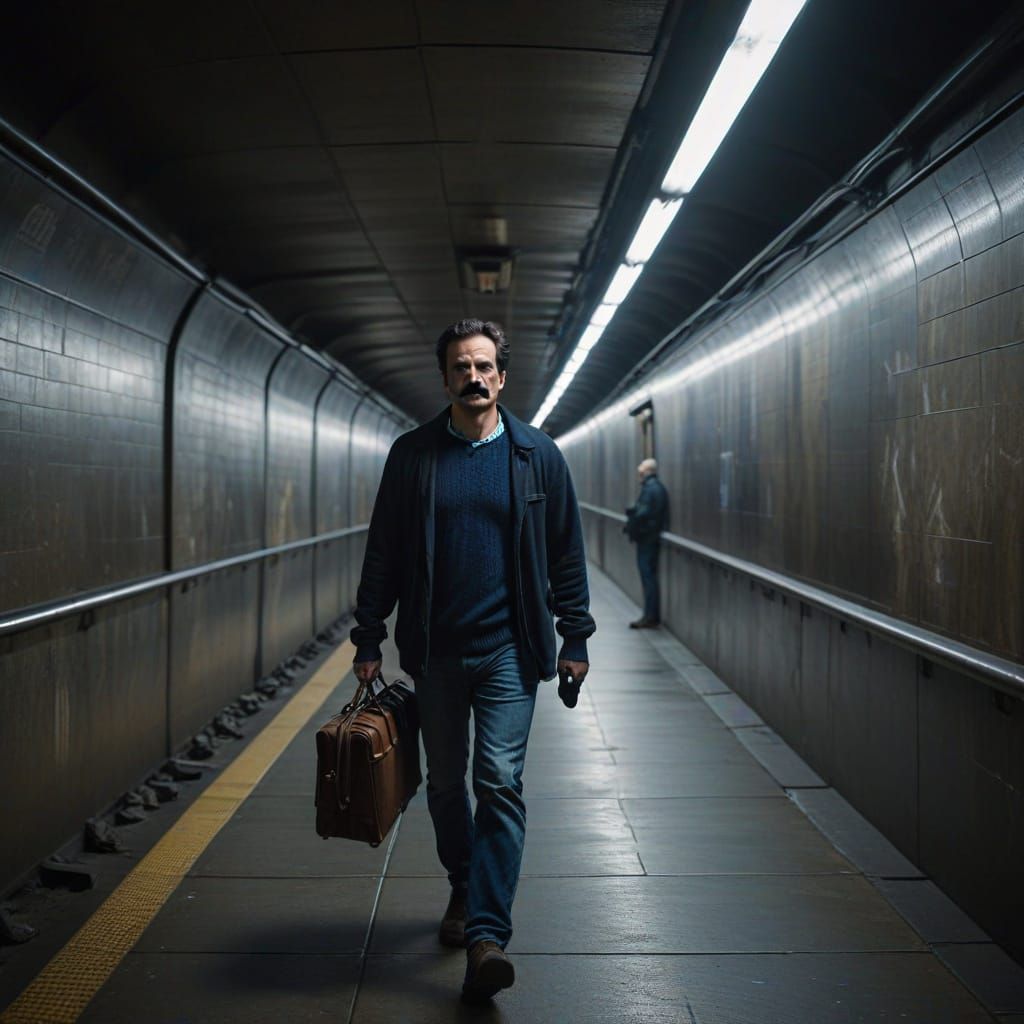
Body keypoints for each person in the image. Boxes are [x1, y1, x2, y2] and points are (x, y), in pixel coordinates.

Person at [350, 318, 595, 1003]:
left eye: (485, 366)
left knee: (499, 780)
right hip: (435, 652)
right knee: (445, 786)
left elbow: (565, 554)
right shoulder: (413, 456)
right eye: (462, 367)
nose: (475, 377)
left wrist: (574, 637)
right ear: (447, 377)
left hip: (510, 652)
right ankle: (464, 880)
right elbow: (386, 553)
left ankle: (487, 934)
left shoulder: (537, 457)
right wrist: (369, 637)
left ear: (503, 377)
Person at [624, 458, 669, 628]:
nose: (639, 474)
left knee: (648, 577)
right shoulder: (655, 488)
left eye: (641, 471)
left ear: (647, 471)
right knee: (648, 577)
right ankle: (650, 615)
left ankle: (650, 616)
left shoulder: (651, 489)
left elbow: (644, 513)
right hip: (649, 538)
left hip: (647, 539)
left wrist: (632, 518)